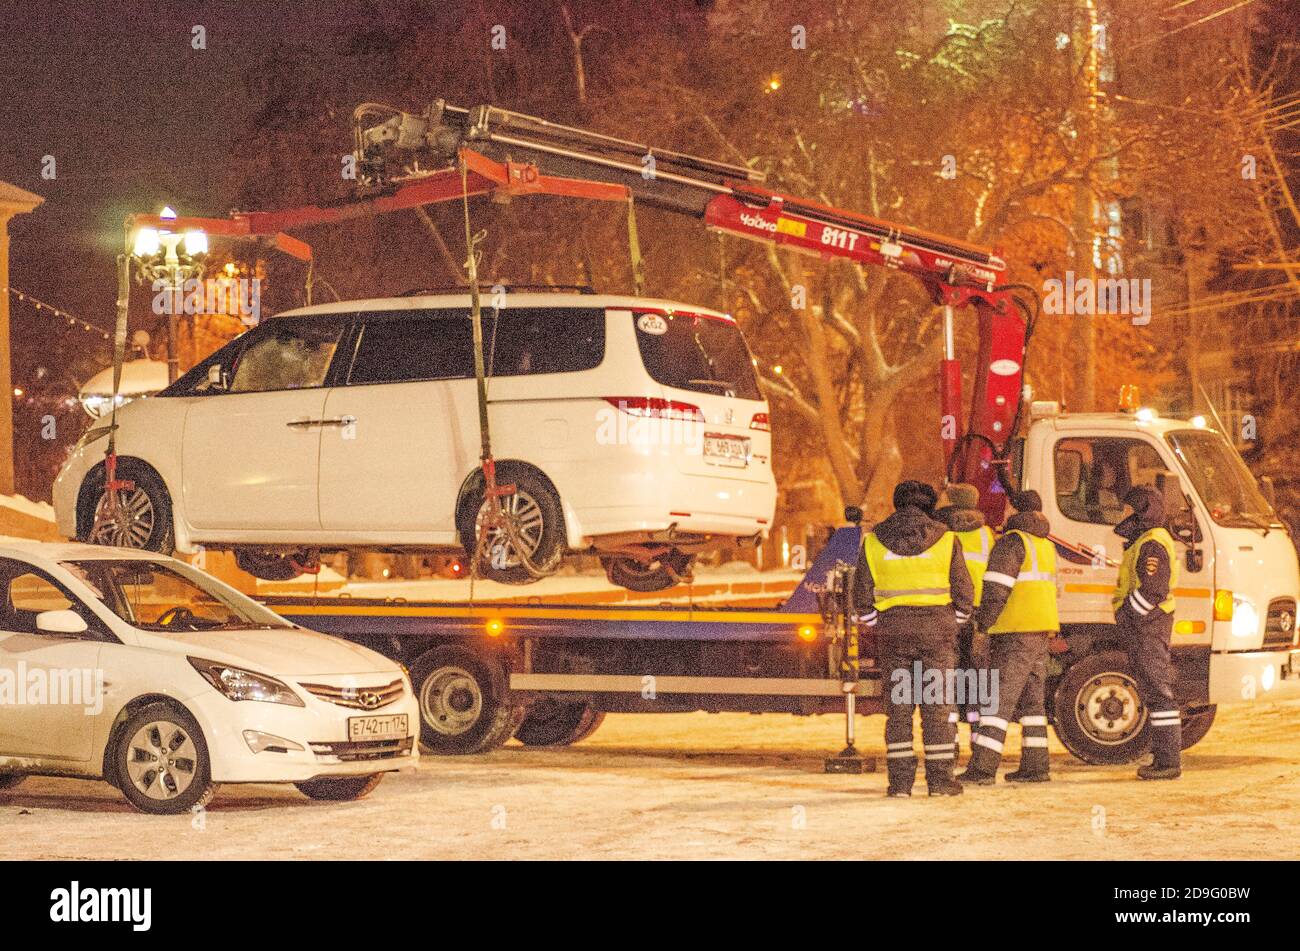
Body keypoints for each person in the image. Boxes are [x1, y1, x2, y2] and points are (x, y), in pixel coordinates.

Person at [853, 480, 973, 797]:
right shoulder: (947, 539)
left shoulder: (874, 541)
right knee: (937, 710)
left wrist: (882, 624)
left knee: (899, 712)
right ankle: (941, 783)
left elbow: (861, 600)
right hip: (938, 635)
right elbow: (965, 596)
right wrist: (950, 623)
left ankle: (901, 785)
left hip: (894, 636)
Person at [958, 489, 1058, 785]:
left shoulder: (1012, 543)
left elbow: (996, 589)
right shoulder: (1045, 545)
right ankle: (1036, 766)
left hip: (1014, 630)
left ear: (1015, 512)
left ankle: (983, 769)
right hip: (1041, 629)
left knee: (996, 701)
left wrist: (983, 624)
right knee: (1032, 704)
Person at [1113, 485, 1182, 780]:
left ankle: (1168, 762)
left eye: (1129, 509)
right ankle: (1164, 758)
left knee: (1159, 692)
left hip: (1148, 625)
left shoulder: (1151, 543)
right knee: (1155, 691)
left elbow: (1153, 590)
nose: (1123, 515)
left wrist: (1129, 614)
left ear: (1143, 511)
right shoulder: (1145, 540)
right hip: (1147, 625)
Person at [934, 483, 994, 746]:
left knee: (947, 674)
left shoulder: (940, 533)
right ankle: (979, 737)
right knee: (978, 675)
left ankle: (950, 740)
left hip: (948, 610)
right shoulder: (986, 535)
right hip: (978, 614)